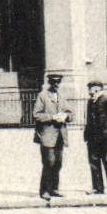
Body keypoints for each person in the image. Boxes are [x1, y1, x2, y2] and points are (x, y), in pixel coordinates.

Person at [33, 72, 71, 201]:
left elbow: (70, 113)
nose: (56, 85)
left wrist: (66, 116)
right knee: (49, 162)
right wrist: (52, 117)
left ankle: (54, 189)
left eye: (58, 82)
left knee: (58, 163)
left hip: (60, 135)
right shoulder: (42, 96)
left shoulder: (62, 96)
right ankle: (44, 190)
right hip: (47, 135)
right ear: (49, 83)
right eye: (53, 82)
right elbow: (36, 115)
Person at [83, 80, 107, 195]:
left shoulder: (106, 100)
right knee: (94, 162)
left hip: (105, 138)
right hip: (92, 138)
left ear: (97, 89)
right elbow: (89, 120)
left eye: (90, 88)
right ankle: (98, 188)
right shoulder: (90, 102)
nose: (89, 91)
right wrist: (87, 135)